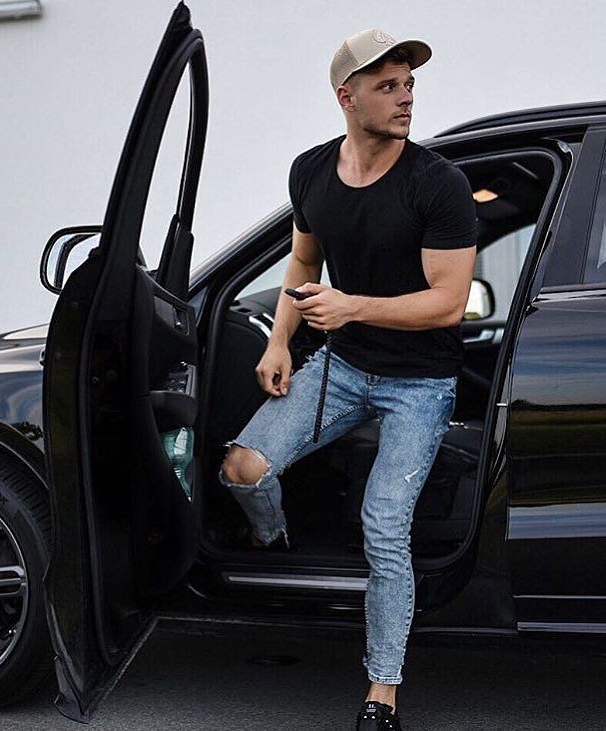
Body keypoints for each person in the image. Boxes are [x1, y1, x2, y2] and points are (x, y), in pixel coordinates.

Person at [218, 27, 477, 731]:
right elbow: (302, 265)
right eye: (388, 86)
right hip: (342, 365)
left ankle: (381, 691)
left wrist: (353, 305)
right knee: (242, 467)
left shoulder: (436, 184)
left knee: (381, 527)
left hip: (418, 384)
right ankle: (271, 543)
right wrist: (278, 341)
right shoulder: (309, 172)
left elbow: (447, 302)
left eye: (409, 85)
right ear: (346, 95)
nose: (405, 98)